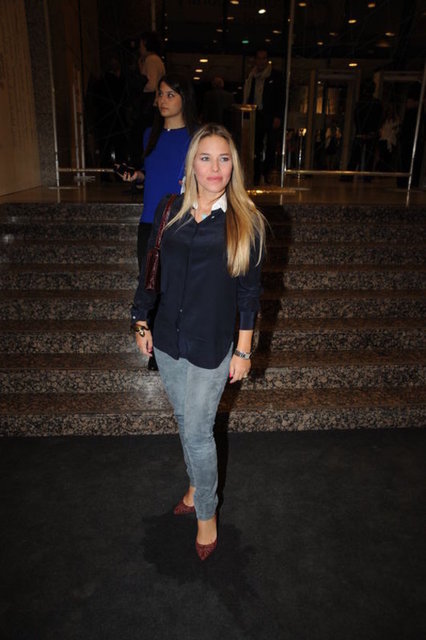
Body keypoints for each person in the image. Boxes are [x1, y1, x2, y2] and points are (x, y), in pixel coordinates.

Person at [130, 123, 266, 560]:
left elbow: (249, 294)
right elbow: (150, 270)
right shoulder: (170, 210)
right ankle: (194, 484)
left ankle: (206, 512)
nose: (215, 167)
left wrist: (243, 350)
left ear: (234, 166)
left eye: (223, 158)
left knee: (198, 431)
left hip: (212, 344)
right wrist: (140, 321)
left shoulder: (246, 221)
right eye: (205, 158)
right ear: (191, 164)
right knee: (184, 418)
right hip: (168, 338)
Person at [121, 73, 198, 369]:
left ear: (184, 99)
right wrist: (137, 176)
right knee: (149, 285)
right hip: (149, 222)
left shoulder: (196, 136)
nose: (162, 100)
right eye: (160, 94)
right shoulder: (149, 135)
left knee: (179, 288)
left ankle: (180, 346)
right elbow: (153, 173)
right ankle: (153, 352)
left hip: (181, 220)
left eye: (170, 95)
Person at [243, 49, 284, 184]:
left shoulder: (276, 76)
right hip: (256, 115)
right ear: (255, 60)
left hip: (270, 115)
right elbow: (248, 96)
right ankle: (255, 174)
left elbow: (280, 98)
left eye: (264, 58)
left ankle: (267, 172)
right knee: (256, 146)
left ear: (267, 60)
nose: (261, 61)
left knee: (271, 145)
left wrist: (278, 116)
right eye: (259, 58)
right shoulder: (251, 77)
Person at [129, 32, 166, 167]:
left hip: (148, 106)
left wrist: (139, 87)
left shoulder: (151, 60)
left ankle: (140, 169)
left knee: (141, 138)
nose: (139, 47)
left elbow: (151, 84)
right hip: (151, 106)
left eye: (141, 44)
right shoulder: (154, 60)